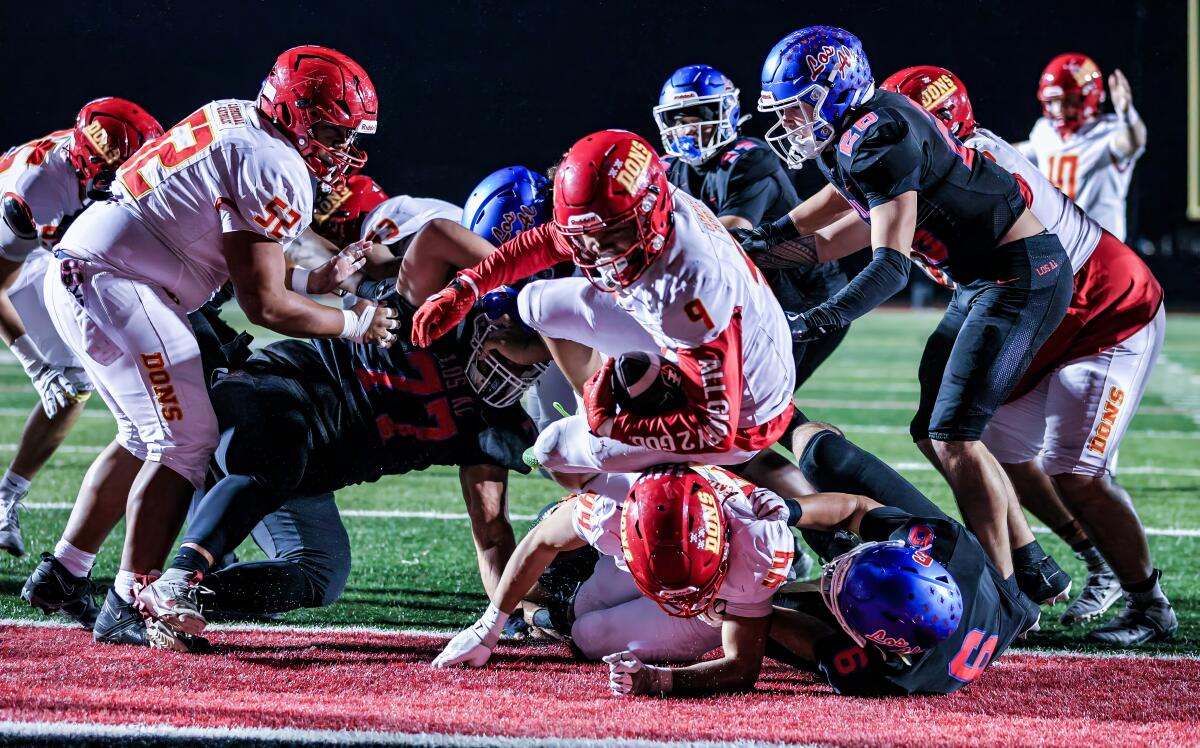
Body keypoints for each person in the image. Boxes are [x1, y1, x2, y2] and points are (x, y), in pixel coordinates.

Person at [24, 46, 397, 643]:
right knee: (186, 442)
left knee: (142, 435)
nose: (343, 147)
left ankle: (64, 572)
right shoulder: (274, 163)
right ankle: (130, 598)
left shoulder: (234, 116)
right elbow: (265, 306)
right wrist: (354, 323)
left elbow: (228, 259)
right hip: (118, 282)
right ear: (296, 113)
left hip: (94, 270)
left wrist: (313, 282)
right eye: (332, 129)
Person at [737, 26, 1072, 602]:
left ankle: (1003, 595)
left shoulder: (878, 136)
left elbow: (889, 268)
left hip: (1019, 274)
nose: (791, 124)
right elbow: (830, 226)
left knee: (954, 435)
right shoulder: (860, 133)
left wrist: (812, 320)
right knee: (934, 431)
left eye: (798, 108)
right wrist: (762, 242)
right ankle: (1034, 565)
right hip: (985, 277)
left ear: (834, 89)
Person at [884, 66, 1174, 645]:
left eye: (900, 128)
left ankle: (1148, 604)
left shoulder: (984, 169)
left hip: (1103, 311)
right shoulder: (955, 163)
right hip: (1040, 316)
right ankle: (1055, 564)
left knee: (1075, 471)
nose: (886, 140)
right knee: (987, 444)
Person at [131, 291, 542, 650]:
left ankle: (187, 599)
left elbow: (491, 534)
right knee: (282, 447)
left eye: (531, 365)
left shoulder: (493, 425)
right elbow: (433, 238)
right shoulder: (431, 316)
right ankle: (180, 576)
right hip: (270, 396)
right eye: (514, 346)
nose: (517, 371)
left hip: (304, 472)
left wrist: (518, 613)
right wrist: (482, 275)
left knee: (321, 574)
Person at [411, 129, 796, 476]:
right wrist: (467, 286)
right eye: (585, 236)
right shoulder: (633, 210)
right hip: (714, 345)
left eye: (609, 236)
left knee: (555, 447)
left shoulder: (689, 285)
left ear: (650, 213)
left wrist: (615, 425)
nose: (595, 253)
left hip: (747, 411)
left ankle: (642, 501)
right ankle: (598, 409)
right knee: (536, 302)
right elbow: (546, 242)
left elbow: (714, 429)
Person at [0, 98, 162, 561]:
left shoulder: (80, 162)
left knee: (76, 384)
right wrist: (36, 367)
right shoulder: (37, 191)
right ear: (91, 160)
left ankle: (6, 496)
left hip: (32, 251)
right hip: (9, 253)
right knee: (62, 380)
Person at [653, 64, 849, 391]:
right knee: (744, 417)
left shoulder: (748, 159)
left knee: (758, 412)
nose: (686, 129)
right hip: (755, 299)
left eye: (697, 115)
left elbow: (727, 239)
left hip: (808, 299)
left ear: (724, 112)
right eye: (677, 119)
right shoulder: (670, 169)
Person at [1018, 54, 1146, 242]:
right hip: (1059, 248)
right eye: (1052, 102)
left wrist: (1127, 113)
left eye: (1067, 101)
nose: (1058, 110)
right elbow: (1012, 152)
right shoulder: (1044, 131)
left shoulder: (1109, 132)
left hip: (1102, 248)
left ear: (1090, 96)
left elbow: (1133, 142)